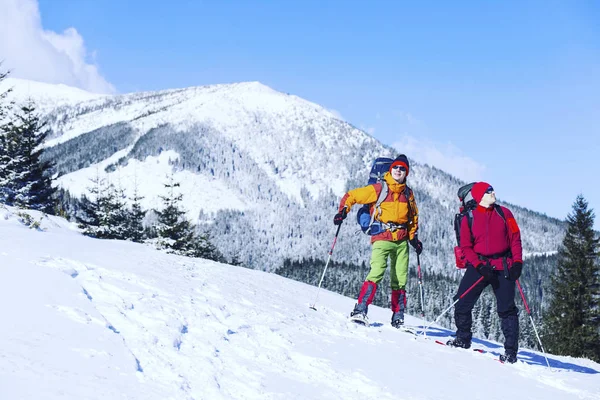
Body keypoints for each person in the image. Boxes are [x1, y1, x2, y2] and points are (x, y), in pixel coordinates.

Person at [333, 154, 422, 328]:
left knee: (400, 279)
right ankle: (360, 310)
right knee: (376, 272)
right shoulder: (379, 189)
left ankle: (398, 318)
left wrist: (413, 238)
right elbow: (352, 195)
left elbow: (413, 218)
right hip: (382, 237)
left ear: (407, 173)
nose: (398, 170)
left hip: (401, 241)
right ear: (390, 169)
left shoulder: (408, 194)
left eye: (402, 168)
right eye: (396, 167)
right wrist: (343, 210)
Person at [446, 182, 523, 364]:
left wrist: (518, 263)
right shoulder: (468, 218)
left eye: (492, 189)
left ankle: (510, 352)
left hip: (504, 266)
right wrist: (479, 266)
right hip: (480, 266)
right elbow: (466, 246)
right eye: (488, 191)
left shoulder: (505, 213)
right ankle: (463, 339)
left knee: (507, 310)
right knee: (462, 302)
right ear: (480, 196)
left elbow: (515, 239)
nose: (493, 193)